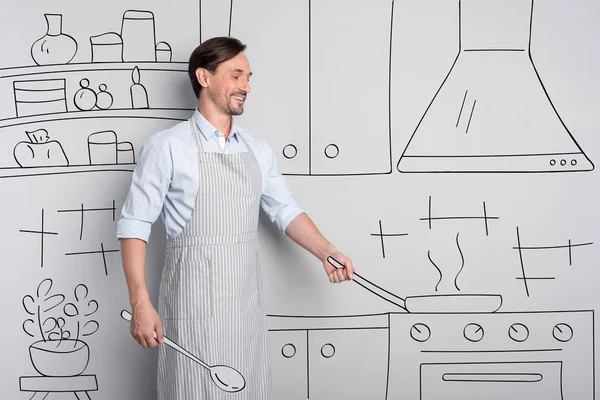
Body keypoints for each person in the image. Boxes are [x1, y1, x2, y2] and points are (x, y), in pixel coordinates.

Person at [116, 36, 355, 399]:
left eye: (248, 77)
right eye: (237, 75)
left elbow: (284, 209)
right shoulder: (168, 146)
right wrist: (140, 302)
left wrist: (327, 251)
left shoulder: (257, 148)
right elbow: (135, 224)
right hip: (191, 306)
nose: (246, 86)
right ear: (205, 76)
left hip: (245, 308)